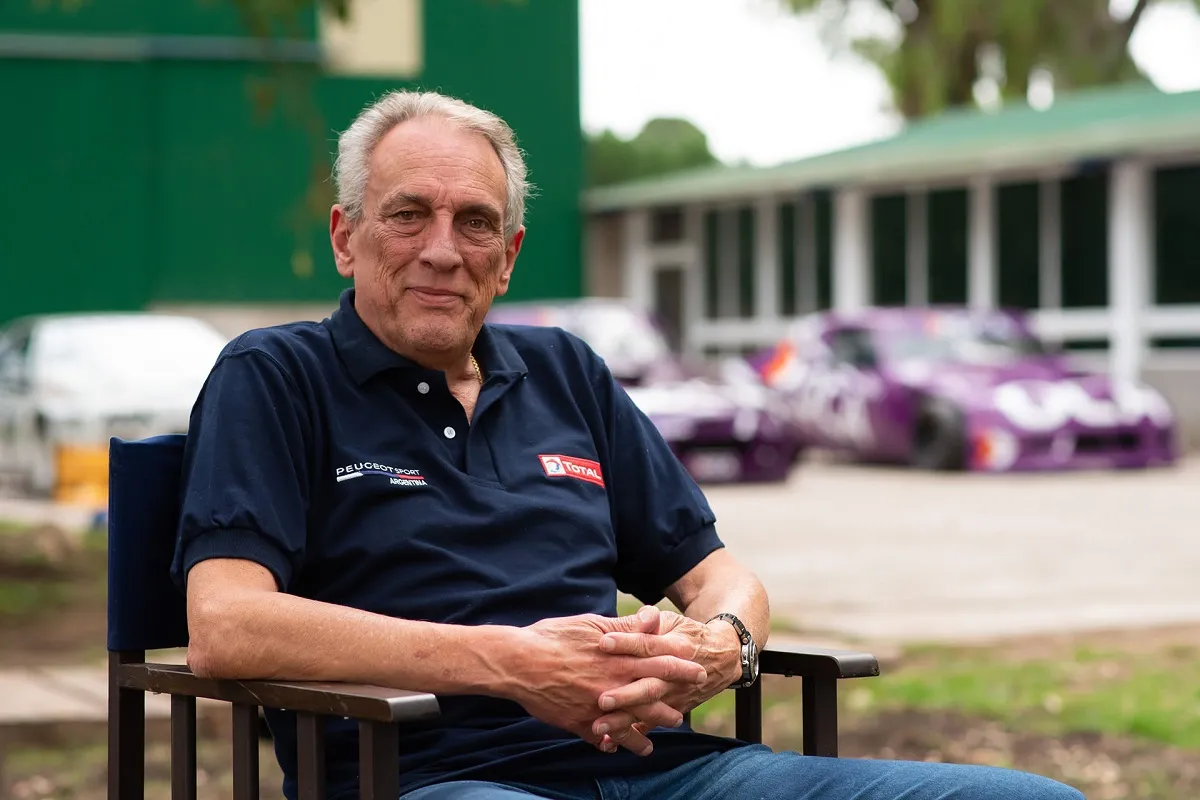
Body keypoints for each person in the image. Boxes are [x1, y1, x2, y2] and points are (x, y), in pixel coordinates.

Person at [171, 89, 1084, 800]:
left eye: (475, 222)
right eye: (409, 213)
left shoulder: (566, 373)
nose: (443, 250)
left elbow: (721, 577)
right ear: (346, 236)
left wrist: (724, 649)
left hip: (669, 768)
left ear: (512, 254)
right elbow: (226, 625)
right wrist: (514, 663)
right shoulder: (274, 377)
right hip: (429, 775)